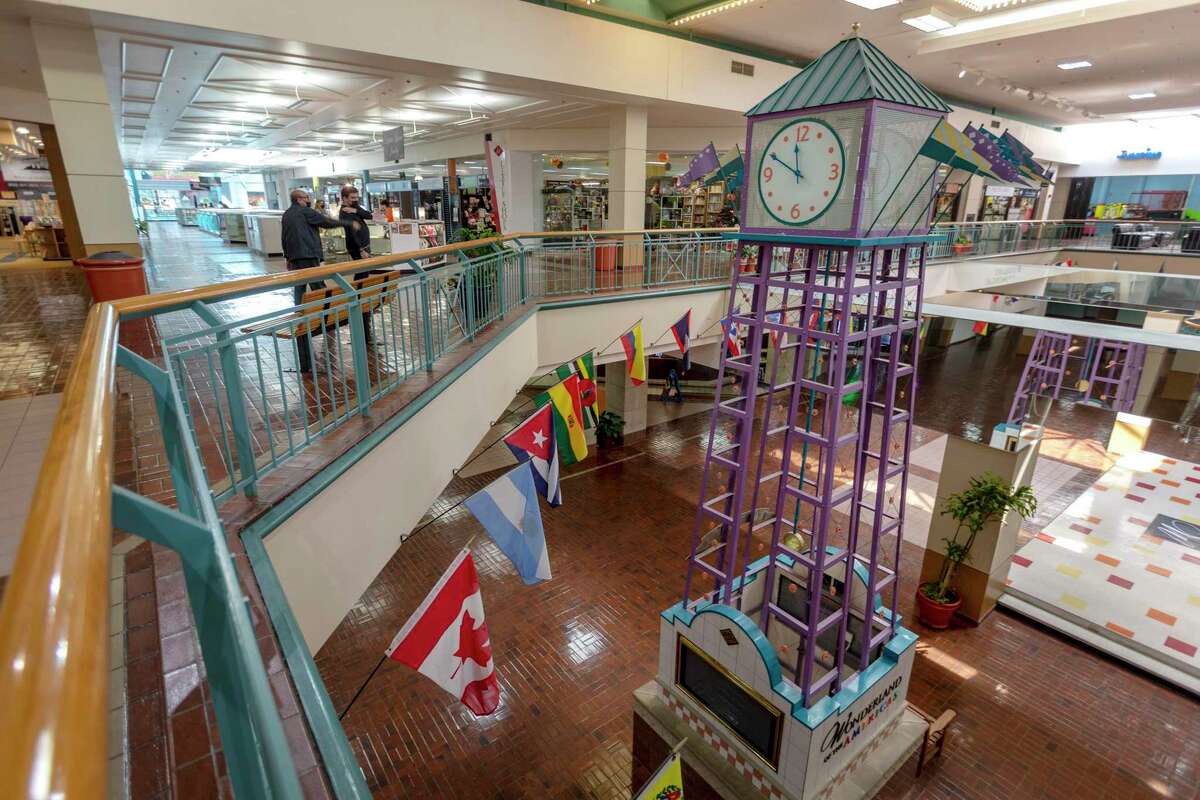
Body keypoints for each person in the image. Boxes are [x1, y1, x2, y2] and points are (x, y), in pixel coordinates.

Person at [281, 188, 357, 372]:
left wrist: (287, 256)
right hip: (308, 253)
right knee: (318, 285)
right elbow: (326, 222)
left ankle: (300, 312)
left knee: (299, 286)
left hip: (295, 255)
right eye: (306, 198)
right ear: (299, 199)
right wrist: (347, 224)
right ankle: (326, 310)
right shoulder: (305, 211)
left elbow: (284, 236)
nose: (308, 200)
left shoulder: (287, 214)